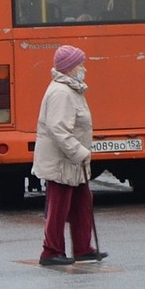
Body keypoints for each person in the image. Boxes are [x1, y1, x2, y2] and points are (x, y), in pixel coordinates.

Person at [31, 44, 106, 266]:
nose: (84, 68)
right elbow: (58, 129)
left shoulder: (71, 89)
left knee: (83, 203)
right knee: (59, 206)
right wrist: (79, 151)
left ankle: (83, 248)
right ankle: (51, 251)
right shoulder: (61, 93)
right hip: (63, 160)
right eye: (80, 64)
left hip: (72, 160)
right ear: (70, 68)